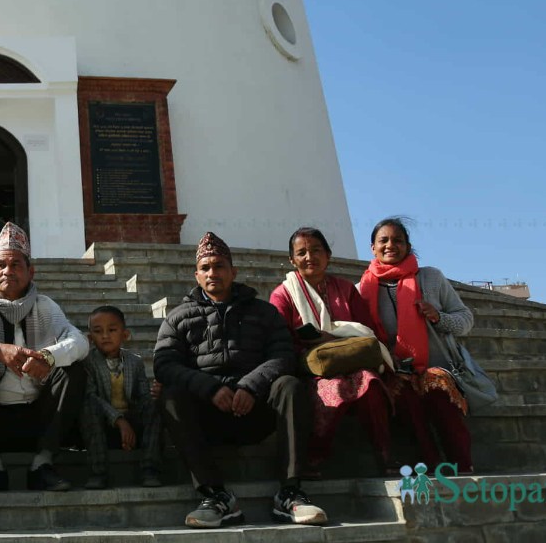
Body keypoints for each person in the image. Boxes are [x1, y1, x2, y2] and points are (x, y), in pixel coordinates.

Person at [154, 231, 327, 529]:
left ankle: (291, 492)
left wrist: (250, 386)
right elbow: (164, 364)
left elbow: (283, 355)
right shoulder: (178, 318)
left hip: (256, 410)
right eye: (205, 268)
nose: (213, 273)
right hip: (209, 414)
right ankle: (215, 495)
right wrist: (209, 389)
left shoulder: (264, 312)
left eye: (219, 266)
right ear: (196, 275)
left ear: (233, 272)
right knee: (171, 395)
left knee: (290, 385)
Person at [0, 222, 89, 494]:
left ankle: (42, 465)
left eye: (16, 265)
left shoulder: (45, 305)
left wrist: (48, 357)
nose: (7, 271)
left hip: (40, 417)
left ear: (30, 272)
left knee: (73, 371)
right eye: (1, 265)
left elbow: (80, 342)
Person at [269, 228, 395, 476]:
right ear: (292, 260)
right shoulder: (282, 295)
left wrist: (334, 338)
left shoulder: (346, 289)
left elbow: (366, 331)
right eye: (301, 252)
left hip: (354, 363)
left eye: (316, 250)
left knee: (370, 383)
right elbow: (280, 340)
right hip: (312, 369)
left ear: (328, 255)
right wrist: (316, 346)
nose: (309, 257)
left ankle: (385, 455)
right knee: (333, 388)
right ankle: (315, 455)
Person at [358, 217, 476, 473]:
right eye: (384, 240)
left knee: (438, 389)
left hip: (436, 367)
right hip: (394, 369)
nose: (391, 245)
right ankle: (431, 465)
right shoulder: (361, 289)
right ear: (372, 248)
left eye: (398, 240)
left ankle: (463, 466)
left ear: (408, 246)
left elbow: (466, 320)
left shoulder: (430, 277)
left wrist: (439, 317)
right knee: (404, 398)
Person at [79, 305, 163, 489]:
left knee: (154, 405)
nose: (105, 335)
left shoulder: (135, 361)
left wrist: (129, 421)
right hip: (100, 426)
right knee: (88, 405)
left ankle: (150, 469)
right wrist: (119, 421)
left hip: (131, 424)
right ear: (90, 338)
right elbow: (91, 396)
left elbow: (142, 396)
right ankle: (98, 473)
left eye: (112, 330)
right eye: (98, 331)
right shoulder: (87, 362)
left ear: (125, 335)